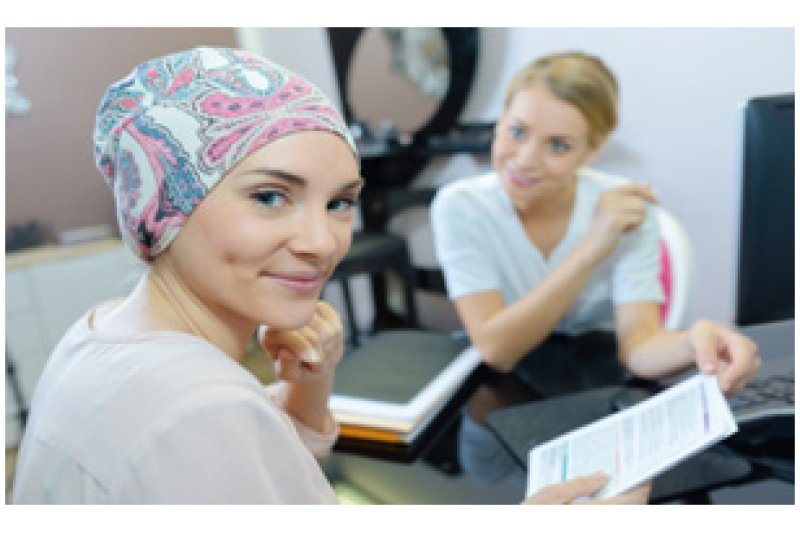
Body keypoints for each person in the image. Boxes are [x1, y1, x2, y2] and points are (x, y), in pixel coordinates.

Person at [11, 47, 641, 505]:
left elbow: (250, 476)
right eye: (269, 197)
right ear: (163, 205)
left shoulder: (100, 335)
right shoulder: (198, 409)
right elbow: (211, 437)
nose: (321, 244)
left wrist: (306, 392)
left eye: (339, 202)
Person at [431, 51, 760, 398]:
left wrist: (694, 344)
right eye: (517, 131)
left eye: (558, 145)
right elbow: (497, 351)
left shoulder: (627, 210)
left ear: (591, 150)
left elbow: (638, 347)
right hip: (499, 388)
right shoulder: (461, 207)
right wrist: (591, 249)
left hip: (598, 380)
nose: (525, 160)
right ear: (499, 123)